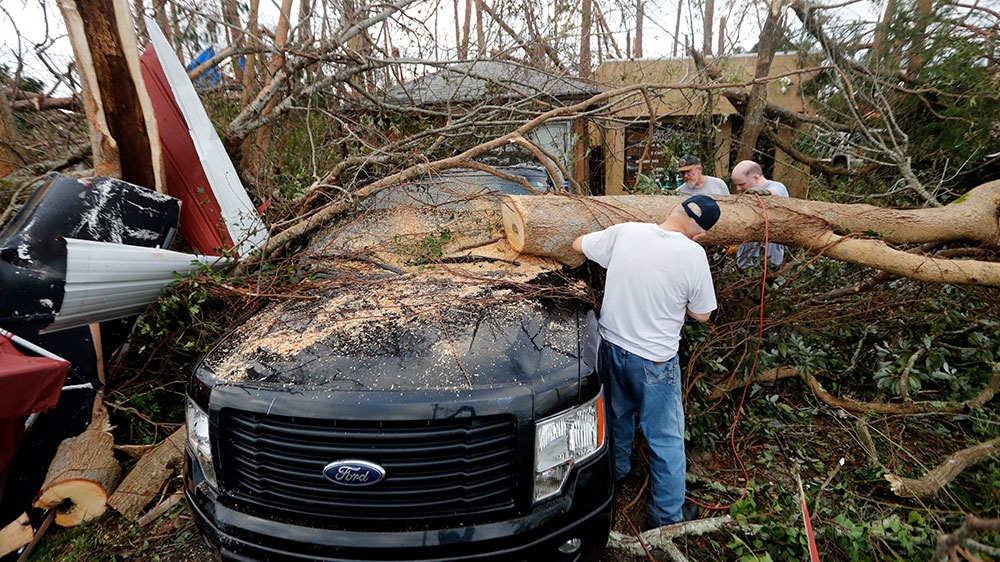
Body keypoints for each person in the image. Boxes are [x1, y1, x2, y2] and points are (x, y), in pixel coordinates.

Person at [571, 195, 720, 528]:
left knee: (616, 418)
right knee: (665, 439)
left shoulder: (626, 232)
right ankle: (665, 519)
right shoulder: (694, 255)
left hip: (611, 349)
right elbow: (703, 314)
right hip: (654, 362)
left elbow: (579, 243)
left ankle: (615, 475)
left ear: (672, 210)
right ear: (700, 234)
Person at [731, 160, 789, 269]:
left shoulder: (777, 187)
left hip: (768, 266)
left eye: (741, 184)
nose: (738, 189)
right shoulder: (745, 195)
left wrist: (765, 193)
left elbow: (776, 192)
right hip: (744, 265)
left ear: (756, 178)